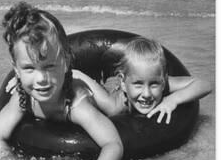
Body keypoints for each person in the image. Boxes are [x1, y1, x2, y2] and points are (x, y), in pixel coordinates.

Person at [0, 2, 123, 160]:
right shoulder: (22, 97)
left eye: (50, 66)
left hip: (79, 87)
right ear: (16, 69)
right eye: (29, 68)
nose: (41, 78)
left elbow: (113, 144)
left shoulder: (76, 105)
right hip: (63, 78)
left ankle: (92, 78)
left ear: (66, 61)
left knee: (114, 108)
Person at [72, 36, 211, 123]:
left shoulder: (164, 83)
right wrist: (75, 74)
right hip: (110, 88)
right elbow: (82, 78)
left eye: (154, 84)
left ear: (163, 81)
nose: (147, 94)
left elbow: (205, 85)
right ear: (124, 83)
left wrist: (172, 100)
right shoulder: (114, 107)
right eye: (138, 84)